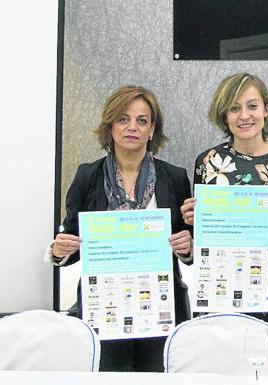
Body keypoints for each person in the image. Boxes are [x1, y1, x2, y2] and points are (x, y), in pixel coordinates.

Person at [45, 85, 193, 371]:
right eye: (123, 119)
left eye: (142, 120)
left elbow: (187, 244)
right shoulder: (88, 175)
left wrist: (186, 248)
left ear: (152, 130)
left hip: (161, 307)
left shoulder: (174, 177)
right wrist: (58, 250)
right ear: (110, 127)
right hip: (105, 305)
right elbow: (73, 239)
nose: (132, 127)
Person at [180, 73, 268, 352]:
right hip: (219, 286)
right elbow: (197, 241)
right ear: (224, 115)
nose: (244, 115)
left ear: (266, 109)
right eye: (234, 108)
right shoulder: (208, 161)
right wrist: (194, 222)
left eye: (252, 106)